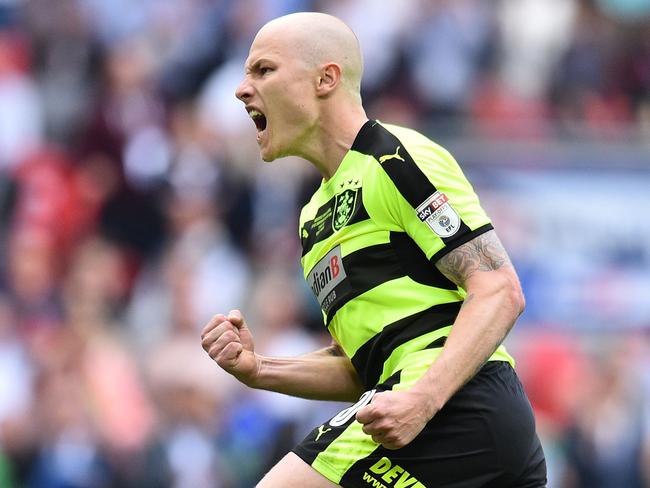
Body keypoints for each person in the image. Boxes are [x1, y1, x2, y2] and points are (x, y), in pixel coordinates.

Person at [201, 12, 547, 488]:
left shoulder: (394, 158)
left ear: (326, 78)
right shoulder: (312, 217)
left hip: (461, 411)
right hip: (430, 416)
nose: (241, 89)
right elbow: (360, 367)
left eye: (263, 70)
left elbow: (499, 289)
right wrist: (261, 370)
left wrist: (422, 400)